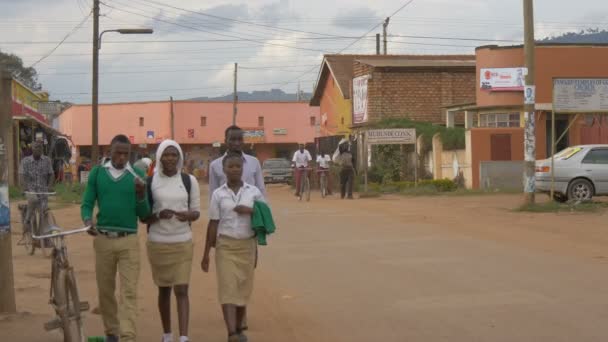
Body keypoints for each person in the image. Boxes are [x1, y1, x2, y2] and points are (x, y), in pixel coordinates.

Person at [81, 134, 151, 342]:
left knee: (128, 291)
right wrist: (87, 221)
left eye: (125, 154)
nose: (121, 157)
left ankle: (128, 336)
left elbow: (145, 214)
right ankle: (112, 333)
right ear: (108, 153)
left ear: (130, 154)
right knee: (105, 291)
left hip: (128, 239)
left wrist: (140, 194)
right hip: (103, 239)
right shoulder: (97, 174)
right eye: (117, 153)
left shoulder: (137, 175)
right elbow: (87, 204)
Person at [202, 152, 265, 342]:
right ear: (224, 170)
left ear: (243, 169)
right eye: (231, 166)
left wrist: (249, 210)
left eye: (238, 166)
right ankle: (231, 333)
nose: (235, 169)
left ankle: (238, 327)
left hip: (247, 245)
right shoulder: (218, 194)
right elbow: (213, 223)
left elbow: (264, 218)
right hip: (225, 246)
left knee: (243, 289)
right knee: (228, 289)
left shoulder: (253, 192)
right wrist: (206, 254)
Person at [145, 140, 201, 342]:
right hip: (158, 243)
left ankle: (184, 337)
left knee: (182, 289)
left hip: (182, 242)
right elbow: (144, 217)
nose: (170, 158)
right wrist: (159, 215)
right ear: (159, 157)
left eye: (174, 154)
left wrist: (187, 215)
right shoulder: (150, 182)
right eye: (166, 154)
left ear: (179, 157)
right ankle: (167, 334)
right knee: (164, 290)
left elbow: (196, 212)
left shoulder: (188, 181)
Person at [19, 141, 54, 231]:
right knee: (33, 200)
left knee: (44, 211)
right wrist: (25, 186)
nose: (38, 149)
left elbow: (51, 174)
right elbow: (21, 175)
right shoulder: (25, 161)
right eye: (36, 147)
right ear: (32, 149)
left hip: (43, 191)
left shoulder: (47, 160)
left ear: (42, 149)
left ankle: (41, 236)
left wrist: (49, 186)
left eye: (40, 147)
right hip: (30, 190)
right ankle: (26, 221)